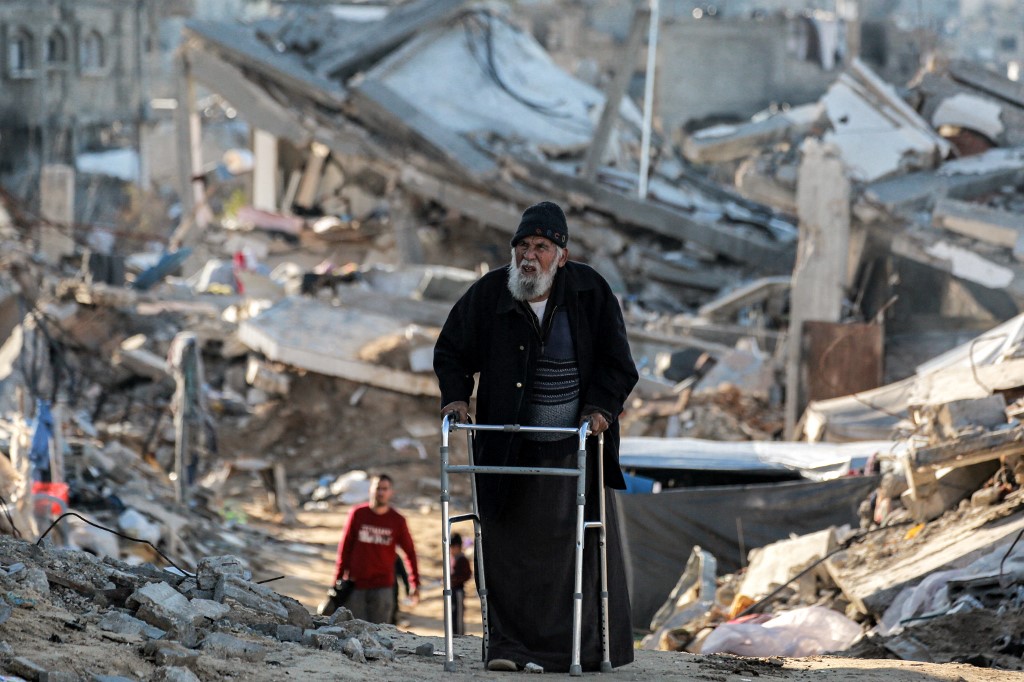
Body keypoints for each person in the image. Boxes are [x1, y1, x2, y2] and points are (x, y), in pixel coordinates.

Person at [433, 200, 639, 673]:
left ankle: (580, 652)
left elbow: (618, 364)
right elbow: (451, 350)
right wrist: (456, 397)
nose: (530, 256)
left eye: (541, 247)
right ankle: (509, 648)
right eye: (522, 245)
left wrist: (601, 409)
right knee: (506, 549)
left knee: (574, 551)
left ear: (561, 255)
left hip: (574, 447)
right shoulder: (490, 294)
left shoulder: (591, 292)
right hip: (508, 445)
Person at [331, 474, 420, 623]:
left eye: (385, 489)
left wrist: (414, 583)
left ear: (391, 492)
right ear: (370, 490)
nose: (381, 492)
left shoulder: (397, 520)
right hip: (355, 586)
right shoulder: (358, 514)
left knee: (380, 635)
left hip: (383, 587)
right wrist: (337, 580)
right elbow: (345, 548)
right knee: (354, 633)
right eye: (378, 488)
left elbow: (410, 552)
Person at [449, 532, 472, 635]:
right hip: (452, 591)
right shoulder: (452, 559)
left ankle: (459, 635)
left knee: (458, 614)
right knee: (452, 614)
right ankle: (453, 634)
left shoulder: (462, 559)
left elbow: (467, 575)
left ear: (457, 547)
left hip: (458, 591)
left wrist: (454, 580)